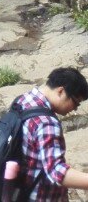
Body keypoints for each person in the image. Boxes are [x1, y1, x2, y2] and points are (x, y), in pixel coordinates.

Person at [11, 66, 88, 198]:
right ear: (61, 91)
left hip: (20, 188)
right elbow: (56, 172)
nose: (74, 109)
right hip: (40, 195)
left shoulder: (24, 100)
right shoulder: (46, 123)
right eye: (76, 103)